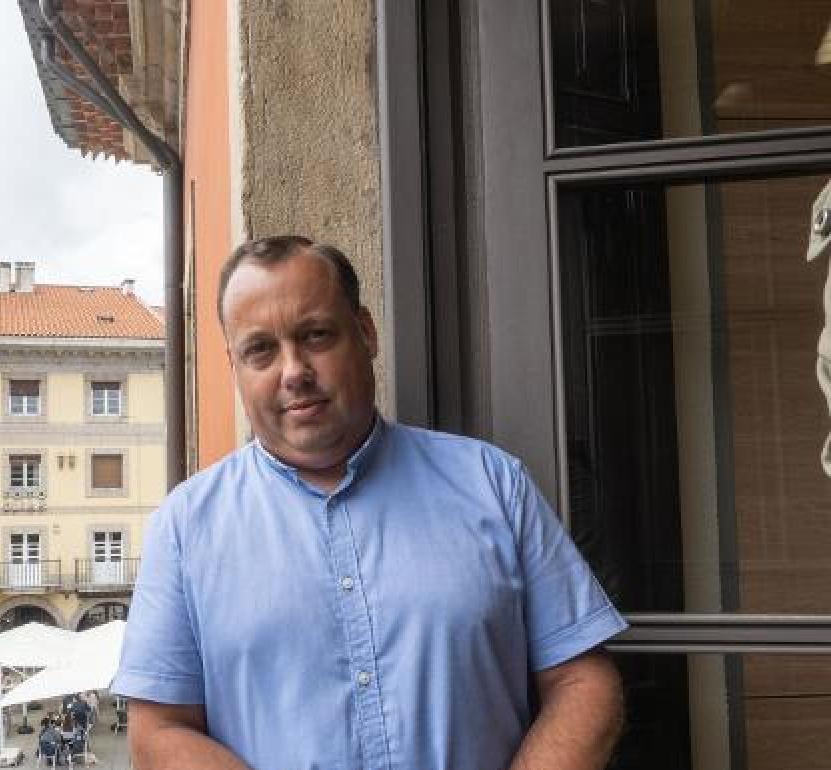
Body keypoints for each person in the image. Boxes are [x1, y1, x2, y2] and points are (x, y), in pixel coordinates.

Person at [111, 236, 629, 769]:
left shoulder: (493, 485)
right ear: (236, 367)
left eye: (315, 335)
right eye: (260, 350)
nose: (293, 371)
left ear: (365, 333)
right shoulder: (185, 526)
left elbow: (582, 680)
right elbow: (158, 733)